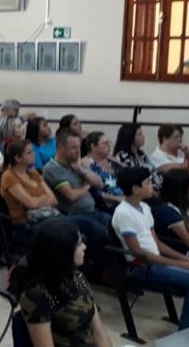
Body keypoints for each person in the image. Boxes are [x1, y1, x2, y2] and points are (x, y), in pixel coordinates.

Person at [16, 220, 113, 347]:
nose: (84, 247)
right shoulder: (36, 295)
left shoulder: (77, 277)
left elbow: (98, 330)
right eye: (79, 244)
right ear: (63, 252)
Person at [113, 166, 189, 329]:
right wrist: (179, 264)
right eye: (147, 183)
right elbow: (138, 253)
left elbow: (156, 243)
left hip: (155, 262)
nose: (152, 187)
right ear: (135, 188)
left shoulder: (145, 208)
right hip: (140, 267)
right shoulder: (124, 213)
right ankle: (184, 333)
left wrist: (183, 258)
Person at [42, 129, 111, 268]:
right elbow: (71, 196)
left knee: (115, 223)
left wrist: (81, 170)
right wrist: (87, 185)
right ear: (61, 148)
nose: (78, 151)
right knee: (103, 231)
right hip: (73, 216)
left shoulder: (76, 164)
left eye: (79, 147)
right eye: (73, 148)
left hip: (92, 212)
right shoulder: (52, 169)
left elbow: (99, 183)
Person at [0, 140, 61, 225]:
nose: (34, 154)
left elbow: (54, 200)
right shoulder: (9, 177)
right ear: (17, 158)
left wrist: (37, 201)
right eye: (29, 153)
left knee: (83, 221)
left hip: (47, 216)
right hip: (26, 223)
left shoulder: (33, 172)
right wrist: (43, 197)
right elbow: (31, 204)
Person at [83, 131, 124, 208]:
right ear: (93, 146)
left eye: (109, 143)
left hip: (126, 199)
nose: (109, 146)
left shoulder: (112, 161)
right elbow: (93, 192)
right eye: (105, 143)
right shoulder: (87, 163)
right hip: (107, 204)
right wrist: (117, 199)